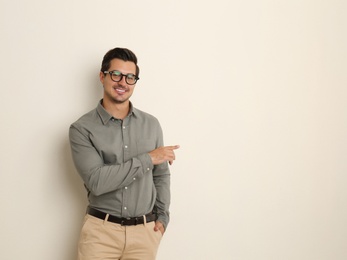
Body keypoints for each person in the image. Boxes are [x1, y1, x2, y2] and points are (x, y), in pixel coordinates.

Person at [69, 47, 179, 260]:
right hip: (101, 234)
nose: (123, 83)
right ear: (102, 76)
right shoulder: (82, 129)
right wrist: (148, 158)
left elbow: (161, 176)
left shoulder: (151, 124)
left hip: (144, 235)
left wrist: (162, 218)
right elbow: (98, 181)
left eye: (130, 77)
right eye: (116, 74)